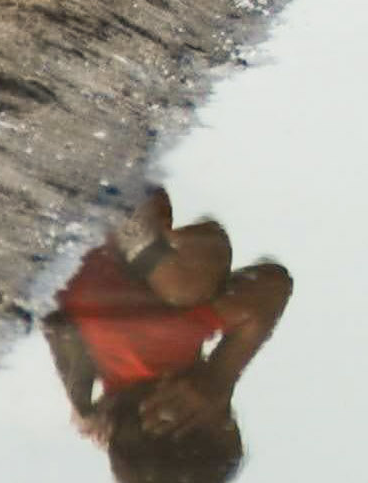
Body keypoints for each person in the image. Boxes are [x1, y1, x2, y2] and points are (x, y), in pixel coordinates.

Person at [43, 188, 294, 483]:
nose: (225, 398)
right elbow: (58, 328)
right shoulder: (105, 365)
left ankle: (131, 218)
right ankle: (129, 226)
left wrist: (219, 377)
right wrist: (82, 407)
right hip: (62, 241)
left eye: (225, 411)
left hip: (112, 206)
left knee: (189, 285)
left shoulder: (168, 343)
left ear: (181, 409)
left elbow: (273, 285)